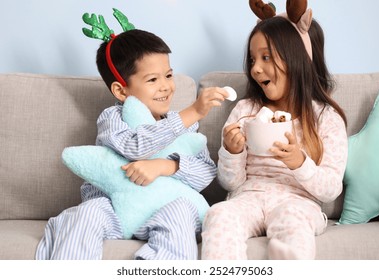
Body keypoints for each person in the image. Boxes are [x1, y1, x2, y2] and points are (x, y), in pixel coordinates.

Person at [36, 20, 229, 260]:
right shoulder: (113, 118)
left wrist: (166, 166)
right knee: (86, 214)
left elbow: (205, 173)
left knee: (181, 214)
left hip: (165, 207)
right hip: (115, 209)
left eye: (168, 75)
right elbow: (134, 146)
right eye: (152, 80)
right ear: (121, 91)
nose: (166, 87)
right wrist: (191, 113)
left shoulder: (187, 127)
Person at [201, 16, 348, 260]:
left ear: (297, 58)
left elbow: (331, 189)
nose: (255, 68)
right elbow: (231, 183)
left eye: (266, 57)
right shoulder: (245, 110)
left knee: (292, 218)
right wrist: (232, 152)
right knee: (219, 214)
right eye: (252, 59)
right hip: (248, 197)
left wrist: (300, 163)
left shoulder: (326, 117)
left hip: (298, 202)